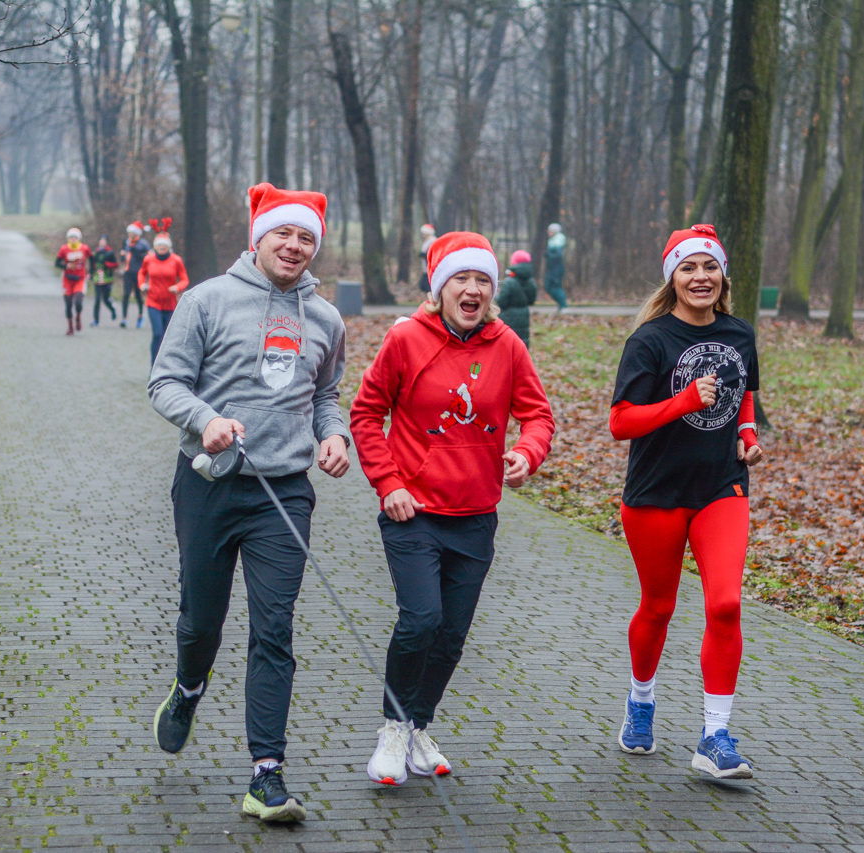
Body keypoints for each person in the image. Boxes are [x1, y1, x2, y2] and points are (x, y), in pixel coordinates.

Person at [148, 183, 351, 823]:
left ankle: (267, 774)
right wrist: (205, 418)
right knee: (201, 622)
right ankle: (189, 686)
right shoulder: (206, 300)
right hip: (208, 482)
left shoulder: (326, 318)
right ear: (259, 237)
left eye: (306, 238)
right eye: (283, 233)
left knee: (274, 629)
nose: (294, 246)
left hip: (283, 493)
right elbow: (164, 381)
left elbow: (326, 394)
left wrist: (334, 435)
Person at [349, 231, 556, 787]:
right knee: (422, 620)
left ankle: (419, 726)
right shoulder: (406, 339)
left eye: (482, 280)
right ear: (439, 288)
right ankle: (393, 729)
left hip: (476, 515)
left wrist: (527, 452)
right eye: (460, 278)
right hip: (412, 511)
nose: (472, 289)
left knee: (451, 636)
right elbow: (365, 414)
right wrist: (388, 482)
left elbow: (538, 416)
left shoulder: (507, 345)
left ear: (493, 290)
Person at [609, 224, 763, 780]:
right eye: (688, 267)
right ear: (672, 278)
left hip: (722, 487)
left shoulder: (740, 333)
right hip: (657, 492)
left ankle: (715, 736)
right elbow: (620, 422)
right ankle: (641, 700)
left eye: (709, 266)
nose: (701, 277)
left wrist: (746, 434)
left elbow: (744, 393)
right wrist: (683, 401)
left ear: (723, 276)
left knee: (725, 604)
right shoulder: (649, 341)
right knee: (659, 607)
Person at [140, 229, 190, 365]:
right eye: (159, 244)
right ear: (155, 247)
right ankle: (154, 366)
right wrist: (142, 285)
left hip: (170, 305)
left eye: (165, 244)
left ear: (169, 246)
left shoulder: (176, 260)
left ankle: (166, 365)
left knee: (168, 337)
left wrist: (177, 287)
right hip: (153, 302)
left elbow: (185, 279)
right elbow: (141, 273)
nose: (162, 247)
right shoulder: (148, 259)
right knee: (157, 334)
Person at [497, 249, 539, 347]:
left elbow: (501, 302)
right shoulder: (531, 282)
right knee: (521, 345)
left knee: (507, 345)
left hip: (507, 317)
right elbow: (532, 300)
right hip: (524, 316)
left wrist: (497, 296)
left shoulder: (509, 282)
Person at [55, 228, 89, 336]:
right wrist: (66, 266)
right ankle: (70, 327)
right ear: (68, 238)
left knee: (78, 302)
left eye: (75, 237)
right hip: (67, 279)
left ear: (79, 238)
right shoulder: (64, 249)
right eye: (71, 237)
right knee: (68, 304)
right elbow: (57, 263)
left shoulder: (84, 248)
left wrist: (91, 272)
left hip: (80, 278)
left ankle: (78, 317)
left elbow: (92, 258)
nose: (73, 239)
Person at [120, 221, 151, 328]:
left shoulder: (143, 244)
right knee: (126, 295)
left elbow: (148, 257)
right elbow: (123, 254)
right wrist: (123, 256)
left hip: (139, 273)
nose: (131, 235)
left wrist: (135, 250)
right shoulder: (126, 242)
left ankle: (141, 316)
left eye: (133, 233)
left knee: (138, 295)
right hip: (128, 272)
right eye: (129, 233)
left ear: (137, 233)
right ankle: (124, 319)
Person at [90, 236, 118, 327]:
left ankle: (113, 310)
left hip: (107, 279)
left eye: (104, 241)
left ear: (107, 242)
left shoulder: (110, 253)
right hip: (97, 278)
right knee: (97, 299)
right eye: (101, 241)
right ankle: (96, 320)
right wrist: (91, 273)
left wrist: (107, 264)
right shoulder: (96, 252)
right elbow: (93, 264)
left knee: (106, 299)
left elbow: (115, 265)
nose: (102, 242)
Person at [543, 223, 568, 311]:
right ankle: (561, 305)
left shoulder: (557, 242)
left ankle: (563, 306)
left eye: (550, 231)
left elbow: (557, 256)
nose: (548, 232)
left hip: (556, 269)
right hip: (551, 268)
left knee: (556, 286)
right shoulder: (552, 241)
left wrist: (548, 254)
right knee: (548, 287)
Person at [417, 223, 436, 294]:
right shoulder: (427, 241)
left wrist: (424, 255)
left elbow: (433, 254)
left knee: (426, 286)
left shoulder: (433, 241)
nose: (423, 235)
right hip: (426, 268)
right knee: (423, 285)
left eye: (425, 233)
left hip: (430, 269)